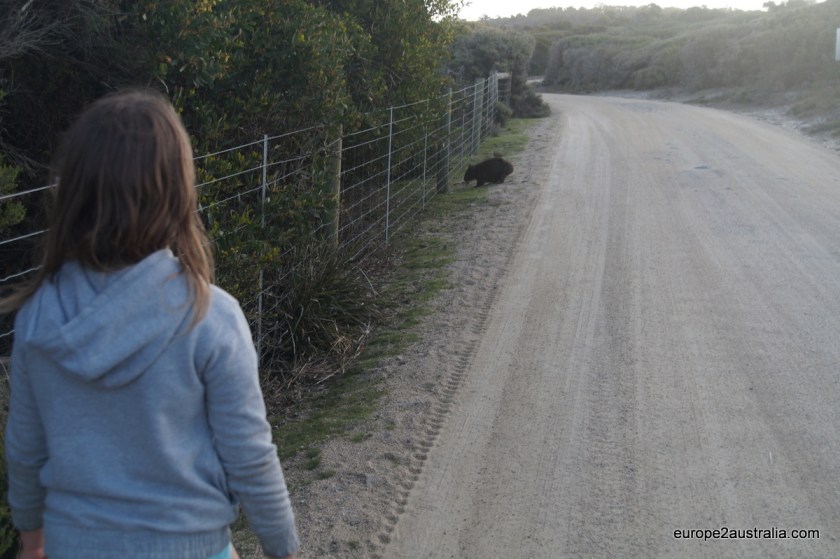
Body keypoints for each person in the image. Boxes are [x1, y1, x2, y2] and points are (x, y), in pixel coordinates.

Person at [2, 89, 299, 559]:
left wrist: (32, 541)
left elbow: (24, 449)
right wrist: (282, 548)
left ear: (74, 194)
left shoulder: (40, 315)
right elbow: (249, 455)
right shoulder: (210, 316)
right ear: (178, 194)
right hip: (191, 546)